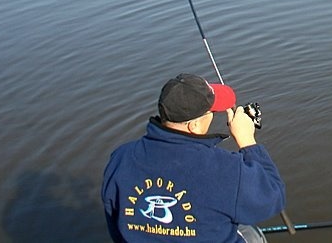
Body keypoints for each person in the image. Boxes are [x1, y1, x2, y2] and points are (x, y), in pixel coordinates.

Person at [102, 73, 286, 242]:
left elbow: (115, 222)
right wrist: (246, 140)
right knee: (251, 234)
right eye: (212, 113)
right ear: (194, 125)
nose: (214, 116)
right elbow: (272, 198)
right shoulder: (225, 169)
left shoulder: (120, 158)